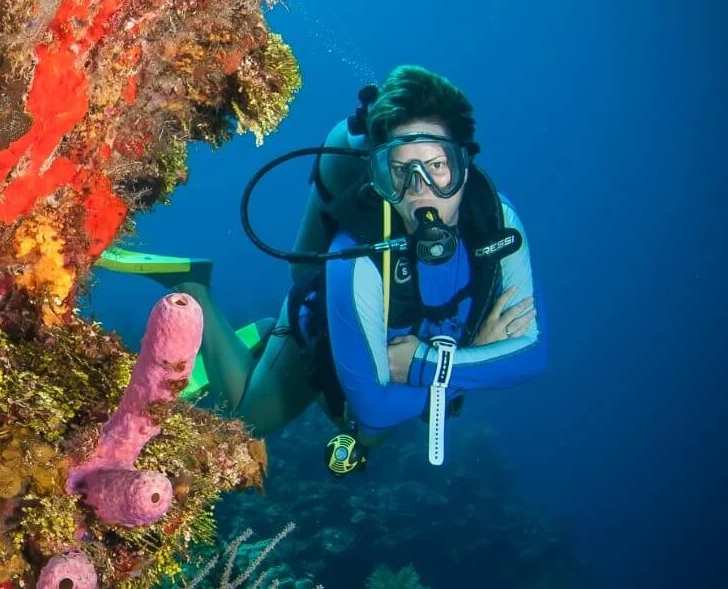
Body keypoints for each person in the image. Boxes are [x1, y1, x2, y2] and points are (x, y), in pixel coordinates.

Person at [104, 65, 547, 474]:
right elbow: (373, 410)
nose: (421, 191)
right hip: (322, 328)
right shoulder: (354, 255)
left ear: (464, 163)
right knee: (251, 419)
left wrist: (424, 365)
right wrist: (475, 360)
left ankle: (267, 337)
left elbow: (534, 354)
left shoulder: (499, 221)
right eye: (400, 171)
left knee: (377, 425)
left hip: (398, 347)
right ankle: (195, 287)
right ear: (380, 176)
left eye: (436, 167)